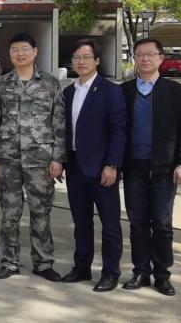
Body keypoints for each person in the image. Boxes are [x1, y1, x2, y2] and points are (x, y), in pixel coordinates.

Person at [0, 32, 66, 281]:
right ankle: (9, 262)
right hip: (7, 159)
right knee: (9, 214)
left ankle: (43, 263)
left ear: (35, 52)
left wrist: (58, 158)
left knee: (41, 213)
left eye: (24, 49)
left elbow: (59, 122)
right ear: (9, 54)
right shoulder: (0, 85)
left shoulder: (50, 83)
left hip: (40, 160)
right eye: (14, 50)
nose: (19, 54)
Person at [120, 38, 181, 296]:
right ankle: (141, 271)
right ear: (134, 59)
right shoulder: (125, 91)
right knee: (138, 223)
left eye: (150, 54)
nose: (145, 59)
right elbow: (116, 130)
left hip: (165, 170)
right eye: (140, 54)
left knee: (162, 224)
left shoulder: (175, 91)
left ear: (161, 58)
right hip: (134, 170)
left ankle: (162, 275)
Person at [60, 39, 126, 292]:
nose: (81, 61)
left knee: (110, 224)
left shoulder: (110, 91)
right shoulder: (68, 92)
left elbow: (119, 131)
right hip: (75, 166)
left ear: (97, 60)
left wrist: (112, 164)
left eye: (86, 57)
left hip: (102, 168)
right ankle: (82, 267)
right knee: (81, 222)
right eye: (76, 57)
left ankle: (111, 272)